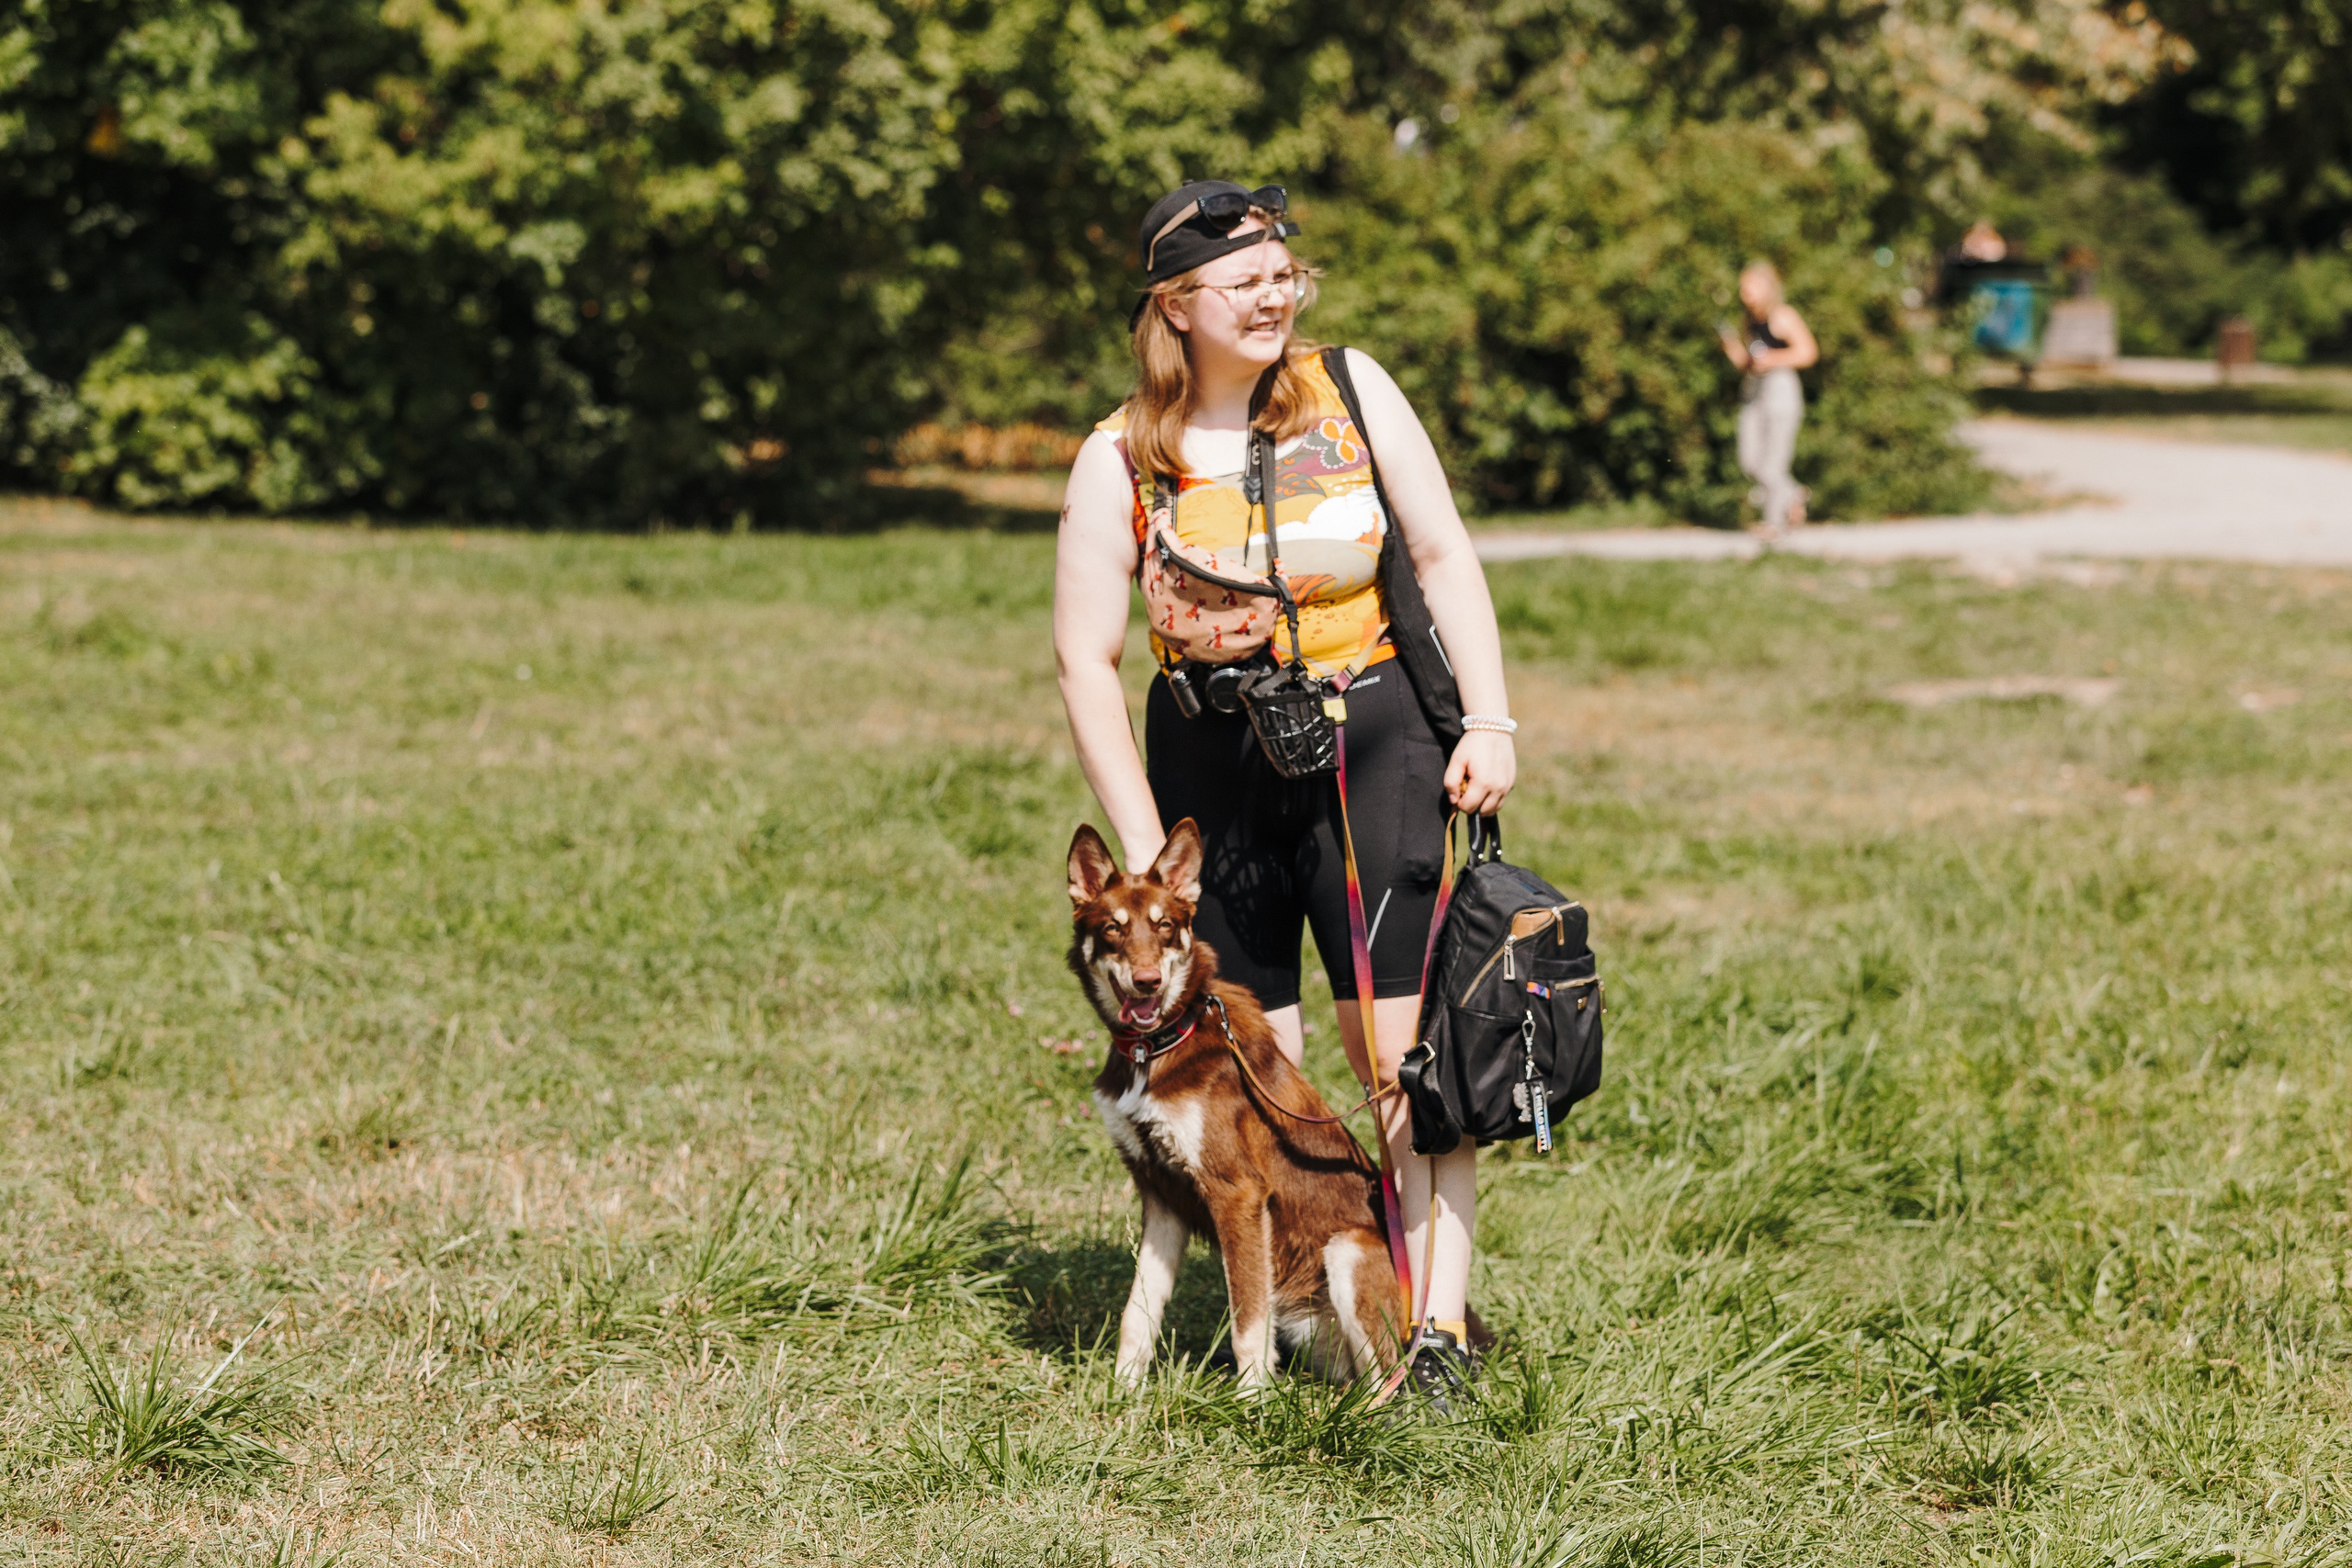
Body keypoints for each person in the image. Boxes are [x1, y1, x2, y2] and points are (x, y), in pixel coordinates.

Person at [1054, 179, 1519, 1405]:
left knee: (1401, 1058)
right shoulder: (1120, 455)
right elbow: (1082, 659)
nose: (1274, 296)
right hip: (1212, 765)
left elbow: (1439, 553)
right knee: (1262, 1064)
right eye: (1244, 279)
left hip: (1375, 744)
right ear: (1175, 303)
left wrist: (1488, 714)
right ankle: (1311, 1310)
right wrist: (1151, 856)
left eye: (1284, 274)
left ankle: (1440, 1331)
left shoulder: (1351, 390)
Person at [1716, 261, 1819, 536]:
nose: (1743, 292)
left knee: (1774, 461)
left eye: (1749, 285)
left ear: (1767, 287)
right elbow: (1747, 363)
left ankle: (1774, 523)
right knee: (1750, 459)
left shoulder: (1783, 316)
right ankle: (1794, 493)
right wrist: (1732, 348)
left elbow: (1809, 352)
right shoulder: (1750, 320)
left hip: (1781, 388)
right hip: (1755, 389)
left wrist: (1774, 358)